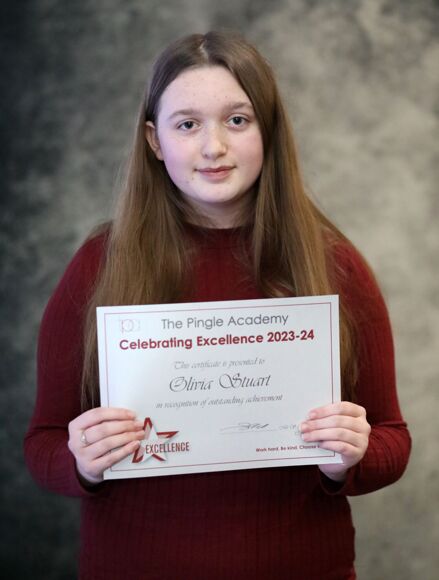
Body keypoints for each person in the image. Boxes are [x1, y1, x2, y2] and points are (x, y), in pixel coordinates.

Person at [24, 30, 411, 579]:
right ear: (155, 141)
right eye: (188, 124)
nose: (214, 147)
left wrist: (350, 456)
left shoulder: (334, 264)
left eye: (237, 120)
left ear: (268, 130)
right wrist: (81, 462)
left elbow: (393, 439)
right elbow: (42, 445)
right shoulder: (98, 266)